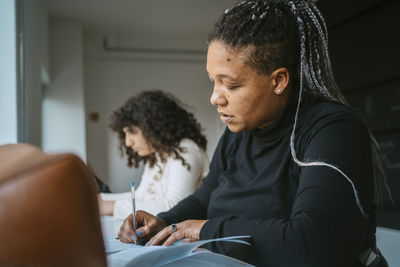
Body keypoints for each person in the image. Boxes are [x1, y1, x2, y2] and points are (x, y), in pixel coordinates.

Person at [118, 1, 389, 266]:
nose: (215, 98)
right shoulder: (238, 133)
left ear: (278, 81)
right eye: (213, 81)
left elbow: (312, 242)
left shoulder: (332, 130)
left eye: (231, 85)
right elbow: (204, 199)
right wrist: (165, 222)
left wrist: (205, 230)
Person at [99, 90, 209, 220]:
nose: (128, 142)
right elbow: (140, 196)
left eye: (132, 132)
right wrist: (100, 198)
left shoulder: (186, 150)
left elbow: (176, 206)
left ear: (154, 127)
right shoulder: (158, 154)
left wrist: (110, 206)